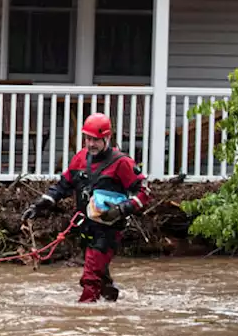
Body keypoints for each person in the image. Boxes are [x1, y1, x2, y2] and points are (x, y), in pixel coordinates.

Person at [22, 113, 151, 303]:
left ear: (108, 138)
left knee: (90, 278)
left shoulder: (121, 163)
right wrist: (40, 205)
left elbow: (144, 193)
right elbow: (63, 186)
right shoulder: (80, 158)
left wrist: (122, 209)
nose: (91, 144)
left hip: (108, 230)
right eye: (88, 139)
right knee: (100, 275)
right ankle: (111, 303)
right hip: (86, 227)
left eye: (96, 140)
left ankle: (86, 314)